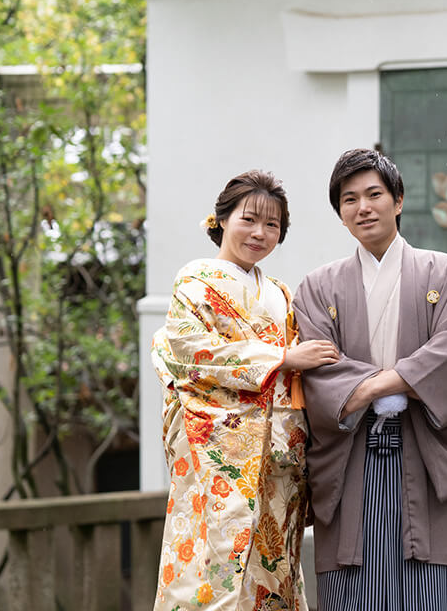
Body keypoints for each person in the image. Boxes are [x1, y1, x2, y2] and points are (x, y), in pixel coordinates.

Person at [294, 148, 447, 611]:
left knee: (425, 585)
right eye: (349, 199)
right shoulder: (318, 286)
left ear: (398, 200)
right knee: (352, 585)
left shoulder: (446, 273)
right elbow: (319, 374)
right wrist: (398, 378)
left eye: (375, 194)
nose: (364, 207)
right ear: (340, 215)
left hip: (421, 449)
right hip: (351, 453)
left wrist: (374, 385)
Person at [151, 170, 338, 611]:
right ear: (221, 220)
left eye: (272, 225)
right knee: (210, 563)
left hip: (280, 455)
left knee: (273, 568)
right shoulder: (196, 280)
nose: (260, 233)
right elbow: (189, 352)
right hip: (218, 453)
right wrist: (280, 359)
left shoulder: (279, 292)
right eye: (249, 219)